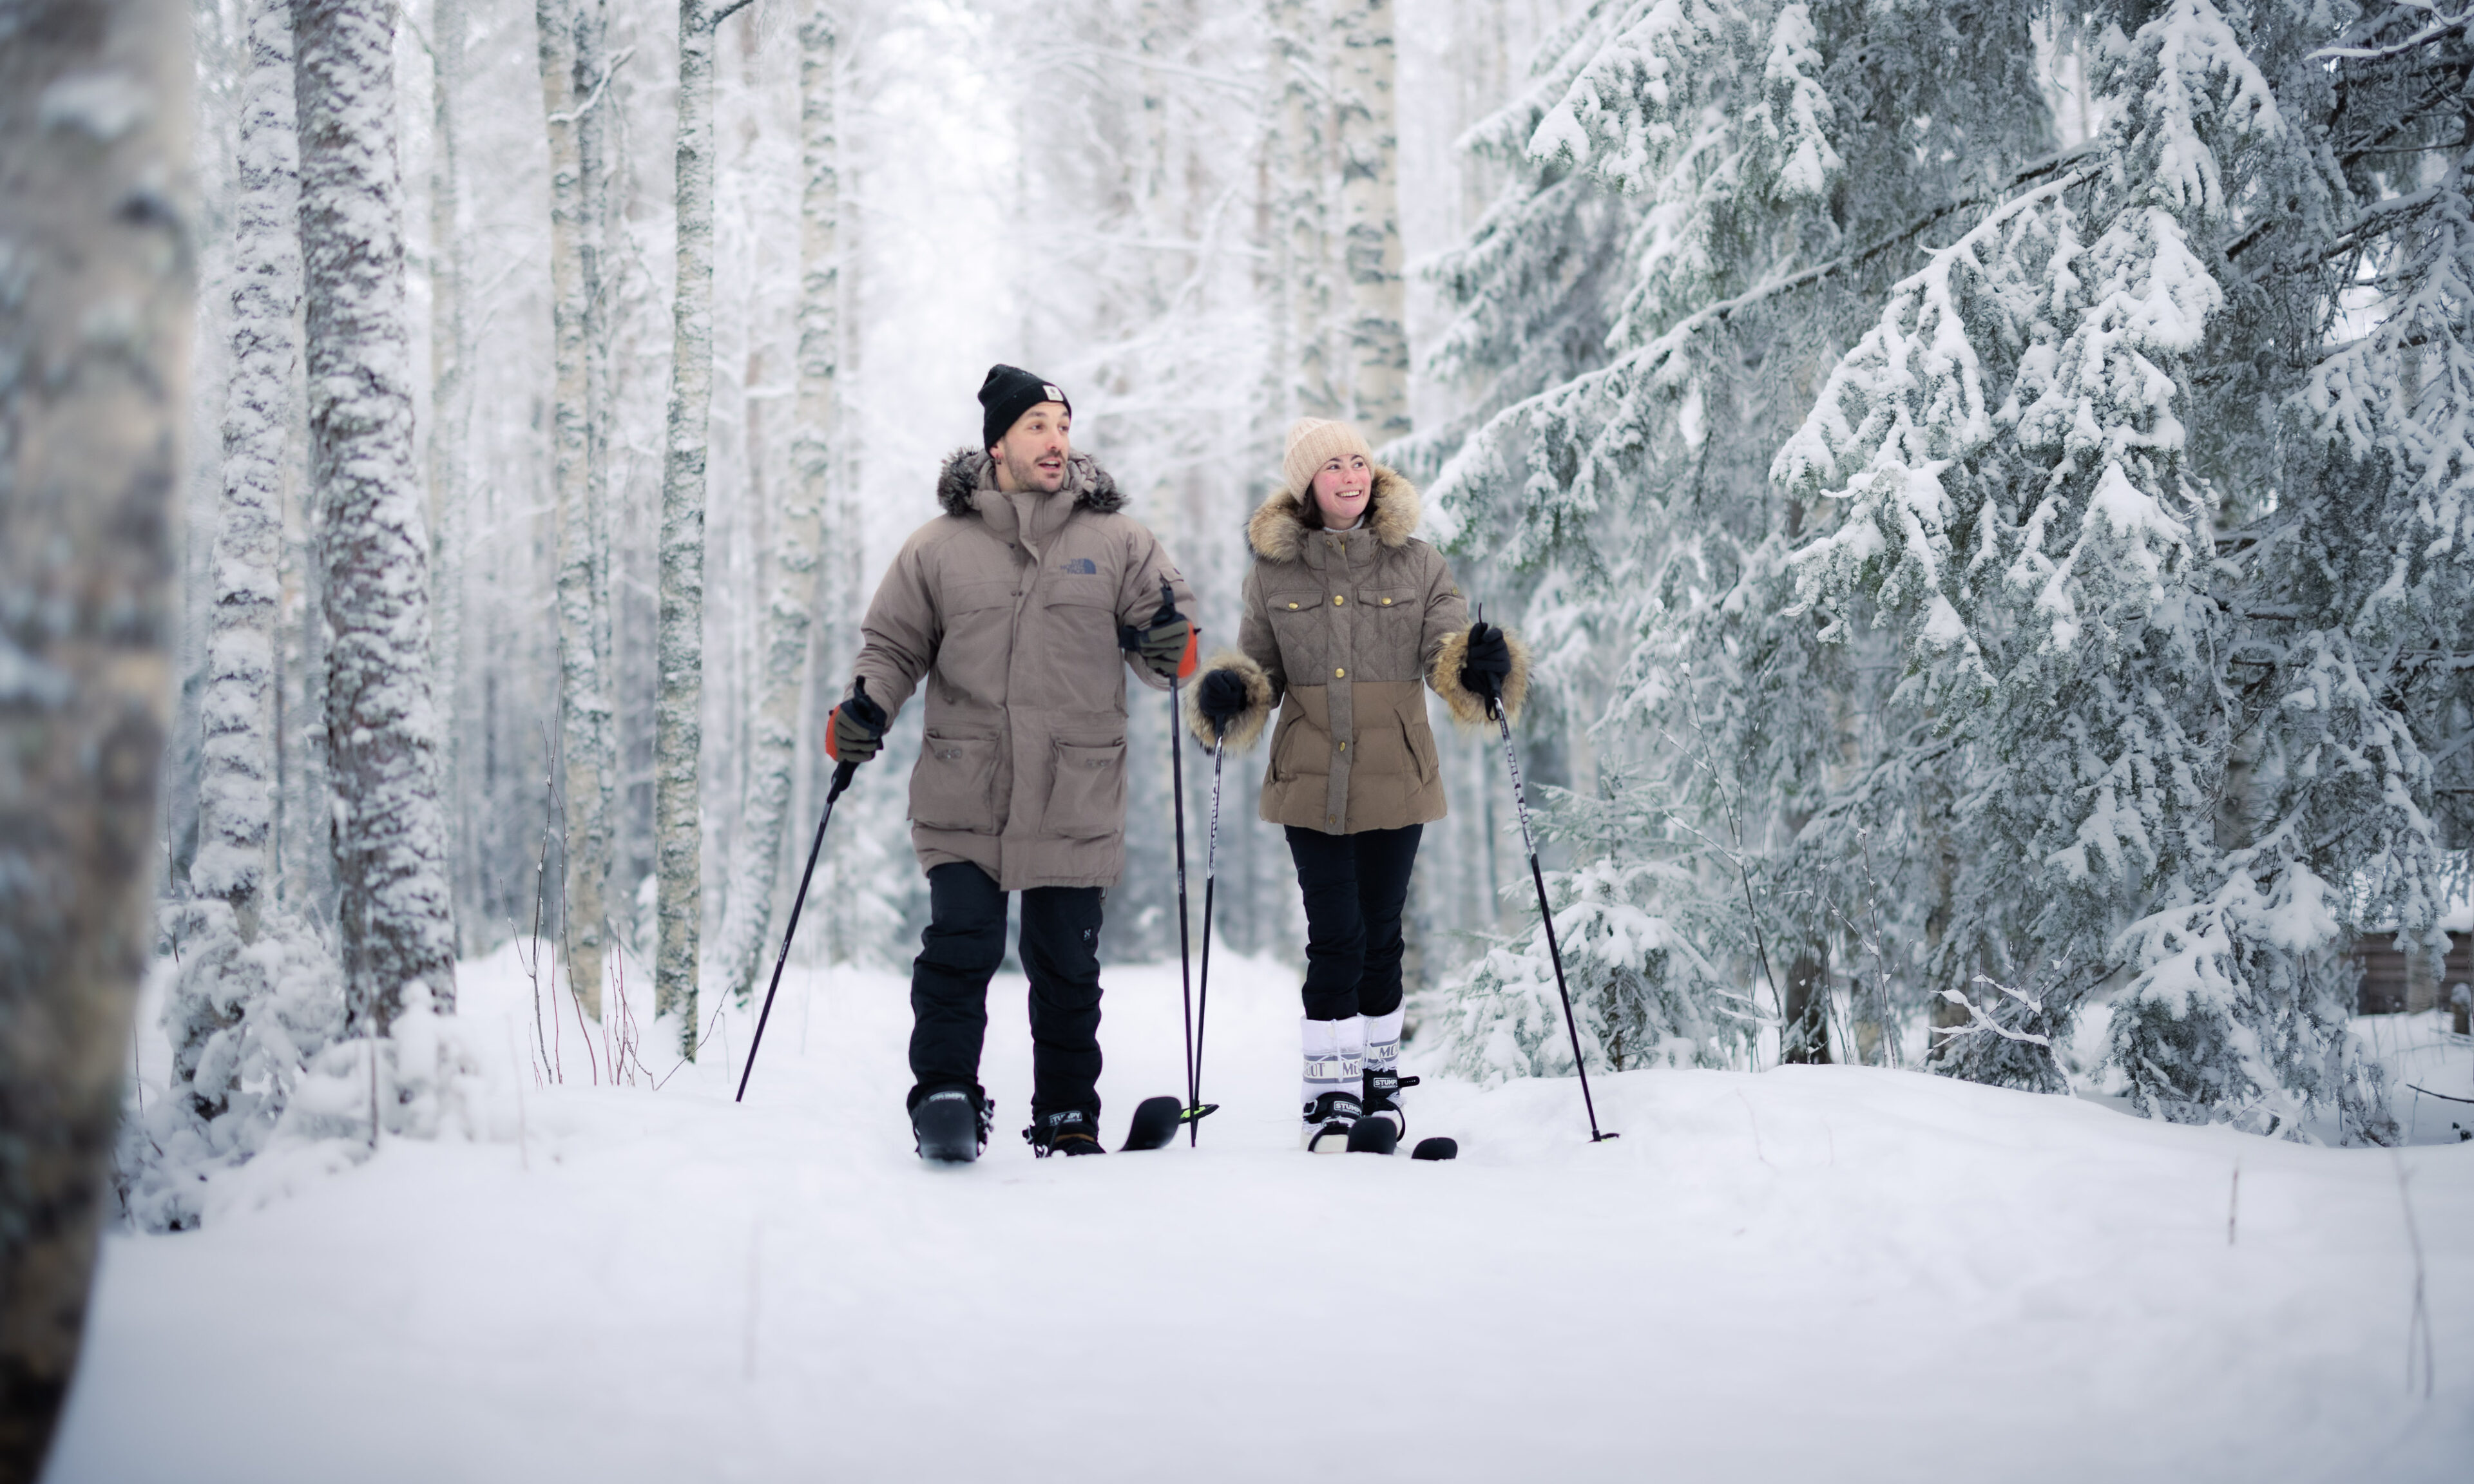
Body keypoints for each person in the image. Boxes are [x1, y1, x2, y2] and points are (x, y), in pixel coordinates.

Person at [826, 365, 1198, 1162]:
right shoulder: (937, 549)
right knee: (961, 943)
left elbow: (1172, 644)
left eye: (1063, 426)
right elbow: (891, 648)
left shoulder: (1119, 540)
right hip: (968, 782)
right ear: (998, 442)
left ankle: (1068, 1115)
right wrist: (863, 709)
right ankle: (946, 1096)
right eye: (1037, 426)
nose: (1056, 441)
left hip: (1076, 786)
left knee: (1067, 961)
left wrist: (1171, 646)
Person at [1187, 419, 1525, 1152]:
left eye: (1359, 462)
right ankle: (1328, 1094)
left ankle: (1376, 1084)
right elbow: (1260, 673)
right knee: (1333, 935)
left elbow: (1446, 650)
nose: (1351, 475)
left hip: (1396, 774)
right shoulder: (1273, 575)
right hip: (1309, 775)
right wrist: (1229, 694)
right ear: (1306, 484)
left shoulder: (1419, 564)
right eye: (1333, 465)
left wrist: (1480, 664)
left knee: (1381, 935)